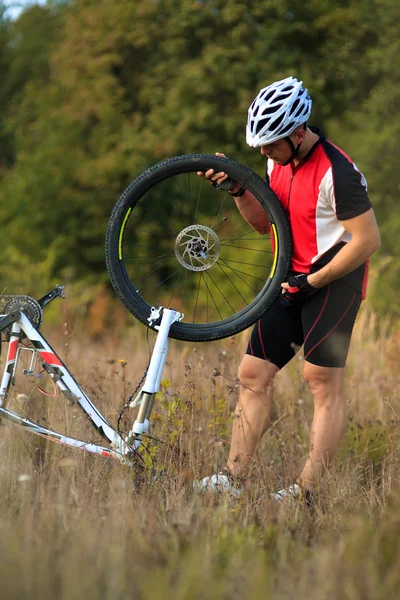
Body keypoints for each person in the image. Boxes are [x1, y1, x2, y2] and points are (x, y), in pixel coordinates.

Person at [195, 76, 381, 501]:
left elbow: (368, 241)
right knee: (252, 374)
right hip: (290, 278)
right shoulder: (275, 161)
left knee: (320, 380)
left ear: (299, 132)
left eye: (272, 143)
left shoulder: (338, 171)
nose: (264, 152)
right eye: (259, 145)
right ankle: (233, 479)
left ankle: (307, 492)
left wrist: (311, 280)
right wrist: (238, 187)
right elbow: (264, 224)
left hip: (336, 280)